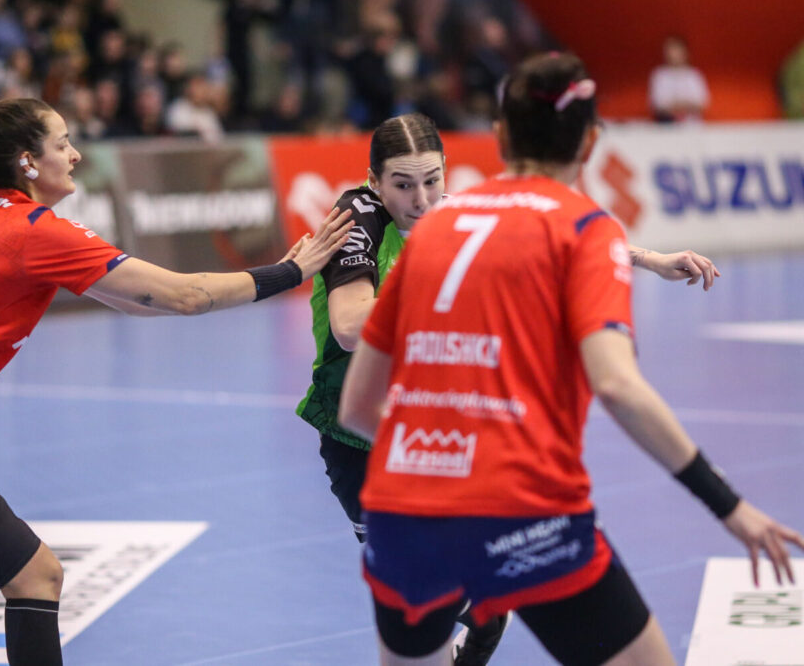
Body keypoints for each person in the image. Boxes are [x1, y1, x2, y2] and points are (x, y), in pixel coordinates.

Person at [0, 97, 352, 666]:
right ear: (27, 161)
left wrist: (277, 274)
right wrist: (289, 272)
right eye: (62, 143)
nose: (76, 154)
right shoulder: (30, 230)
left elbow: (138, 300)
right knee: (36, 575)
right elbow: (183, 295)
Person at [338, 53, 804, 666]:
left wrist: (439, 459)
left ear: (500, 136)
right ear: (591, 141)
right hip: (521, 507)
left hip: (403, 511)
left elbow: (358, 408)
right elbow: (617, 385)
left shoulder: (436, 232)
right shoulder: (585, 229)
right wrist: (730, 506)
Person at [296, 111, 721, 665]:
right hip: (357, 438)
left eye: (431, 181)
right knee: (427, 597)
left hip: (435, 438)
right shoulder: (358, 217)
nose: (420, 200)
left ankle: (481, 617)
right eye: (402, 185)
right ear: (374, 181)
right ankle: (482, 615)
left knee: (440, 591)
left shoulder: (452, 216)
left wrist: (652, 260)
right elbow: (351, 327)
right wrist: (451, 294)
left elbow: (557, 239)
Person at [649, 35, 709, 122]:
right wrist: (685, 105)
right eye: (670, 50)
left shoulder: (694, 75)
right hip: (666, 126)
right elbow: (658, 104)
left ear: (685, 52)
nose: (673, 54)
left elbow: (702, 103)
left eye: (676, 49)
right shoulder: (659, 75)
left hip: (692, 126)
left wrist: (675, 105)